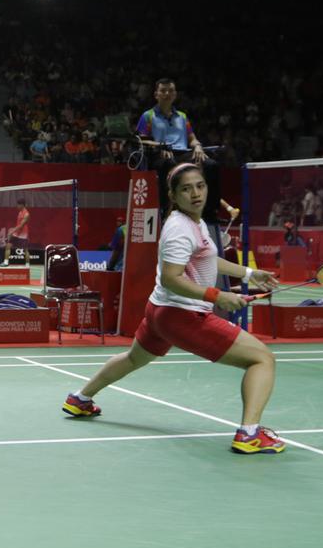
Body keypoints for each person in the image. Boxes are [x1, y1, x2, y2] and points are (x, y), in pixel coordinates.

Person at [60, 163, 286, 455]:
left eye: (200, 186)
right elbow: (171, 277)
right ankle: (250, 434)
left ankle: (80, 398)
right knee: (262, 359)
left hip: (161, 312)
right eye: (186, 188)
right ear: (173, 195)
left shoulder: (196, 222)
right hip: (183, 315)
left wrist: (248, 274)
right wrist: (217, 296)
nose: (195, 193)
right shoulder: (179, 229)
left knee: (133, 358)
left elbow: (207, 260)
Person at [136, 78, 208, 165]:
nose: (167, 93)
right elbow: (142, 141)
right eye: (163, 91)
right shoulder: (147, 116)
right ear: (156, 95)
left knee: (210, 164)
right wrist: (161, 146)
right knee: (168, 163)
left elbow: (192, 139)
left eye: (171, 91)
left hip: (184, 154)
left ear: (175, 94)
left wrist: (197, 146)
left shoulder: (183, 116)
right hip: (161, 154)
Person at [0, 198, 31, 267]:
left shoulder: (26, 214)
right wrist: (13, 232)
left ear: (22, 205)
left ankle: (27, 264)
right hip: (16, 233)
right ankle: (6, 262)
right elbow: (18, 224)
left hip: (23, 234)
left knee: (25, 250)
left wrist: (11, 231)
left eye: (18, 205)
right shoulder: (20, 212)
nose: (17, 206)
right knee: (8, 246)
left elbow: (21, 225)